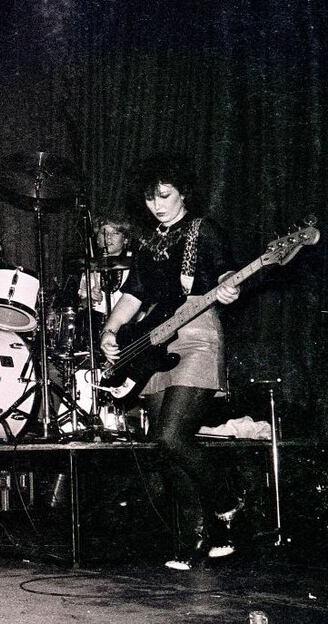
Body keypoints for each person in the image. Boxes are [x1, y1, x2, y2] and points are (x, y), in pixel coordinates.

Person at [99, 154, 243, 570]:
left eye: (164, 196)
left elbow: (224, 272)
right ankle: (197, 534)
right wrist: (110, 330)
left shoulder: (202, 230)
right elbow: (134, 294)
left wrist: (227, 287)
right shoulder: (147, 241)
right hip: (157, 341)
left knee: (171, 436)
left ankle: (227, 502)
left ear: (183, 193)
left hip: (197, 335)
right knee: (164, 447)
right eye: (150, 198)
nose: (157, 205)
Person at [77, 218, 133, 316]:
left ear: (125, 239)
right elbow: (82, 305)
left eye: (115, 233)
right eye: (103, 233)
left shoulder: (135, 263)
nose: (108, 237)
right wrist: (90, 299)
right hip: (99, 321)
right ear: (97, 240)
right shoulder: (91, 266)